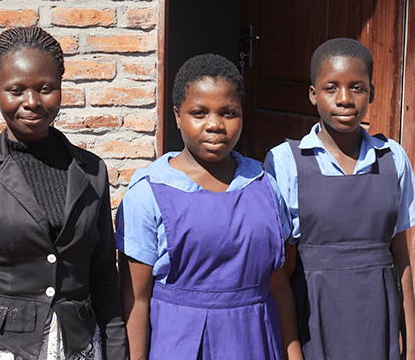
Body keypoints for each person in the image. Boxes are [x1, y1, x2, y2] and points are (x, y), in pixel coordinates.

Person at [0, 26, 128, 360]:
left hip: (78, 345)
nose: (32, 102)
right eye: (16, 90)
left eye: (46, 89)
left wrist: (116, 351)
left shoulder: (92, 171)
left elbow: (103, 280)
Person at [116, 53, 303, 360]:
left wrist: (293, 354)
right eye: (199, 113)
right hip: (181, 346)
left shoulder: (264, 185)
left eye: (228, 112)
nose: (215, 124)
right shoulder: (148, 192)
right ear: (177, 116)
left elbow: (279, 285)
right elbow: (136, 299)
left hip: (255, 341)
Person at [265, 37, 415, 360]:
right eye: (331, 88)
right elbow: (281, 271)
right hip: (314, 320)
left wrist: (411, 343)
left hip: (379, 318)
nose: (344, 99)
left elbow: (400, 255)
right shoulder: (287, 162)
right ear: (313, 94)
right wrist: (292, 351)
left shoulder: (393, 159)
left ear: (371, 93)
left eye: (357, 88)